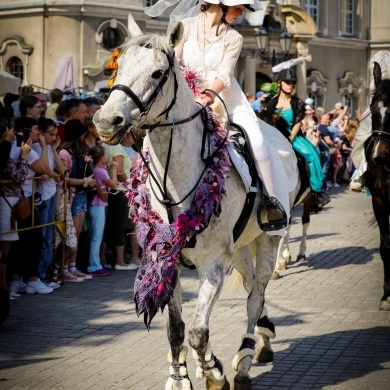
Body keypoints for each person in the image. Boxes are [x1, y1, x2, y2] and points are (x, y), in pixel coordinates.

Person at [172, 0, 289, 231]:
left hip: (227, 100)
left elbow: (224, 74)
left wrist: (207, 95)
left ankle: (271, 201)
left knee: (256, 141)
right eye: (237, 7)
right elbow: (173, 63)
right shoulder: (184, 26)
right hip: (186, 99)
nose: (240, 13)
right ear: (220, 4)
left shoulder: (234, 37)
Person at [265, 68, 329, 207]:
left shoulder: (298, 103)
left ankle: (316, 192)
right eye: (287, 82)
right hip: (274, 136)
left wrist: (289, 138)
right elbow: (267, 122)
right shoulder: (271, 103)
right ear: (280, 83)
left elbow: (298, 122)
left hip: (293, 137)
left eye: (292, 83)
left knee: (311, 156)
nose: (290, 85)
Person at [0, 117, 31, 298]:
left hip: (10, 203)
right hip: (6, 204)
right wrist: (25, 157)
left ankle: (4, 285)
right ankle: (3, 285)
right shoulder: (3, 153)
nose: (15, 135)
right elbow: (19, 177)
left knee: (7, 247)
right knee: (4, 247)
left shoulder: (6, 151)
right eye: (12, 131)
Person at [33, 118, 65, 281]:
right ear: (41, 133)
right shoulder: (36, 148)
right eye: (51, 134)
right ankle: (38, 274)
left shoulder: (49, 148)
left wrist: (53, 149)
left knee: (49, 237)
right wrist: (54, 174)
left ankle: (44, 273)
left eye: (56, 134)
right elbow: (45, 170)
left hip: (51, 193)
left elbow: (61, 171)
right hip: (42, 196)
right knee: (43, 237)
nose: (54, 137)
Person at [86, 145, 118, 277]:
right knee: (96, 237)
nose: (107, 157)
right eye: (105, 155)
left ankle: (96, 263)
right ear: (101, 157)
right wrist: (115, 170)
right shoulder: (101, 171)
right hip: (98, 206)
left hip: (96, 205)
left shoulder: (97, 169)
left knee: (95, 236)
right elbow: (114, 184)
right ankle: (94, 266)